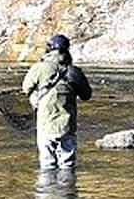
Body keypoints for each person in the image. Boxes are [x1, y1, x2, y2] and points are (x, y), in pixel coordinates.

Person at [20, 33, 93, 171]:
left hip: (45, 125)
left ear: (50, 49)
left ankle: (47, 191)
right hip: (67, 125)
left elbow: (25, 88)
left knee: (47, 166)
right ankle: (68, 191)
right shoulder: (74, 72)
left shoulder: (39, 68)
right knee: (68, 166)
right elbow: (86, 95)